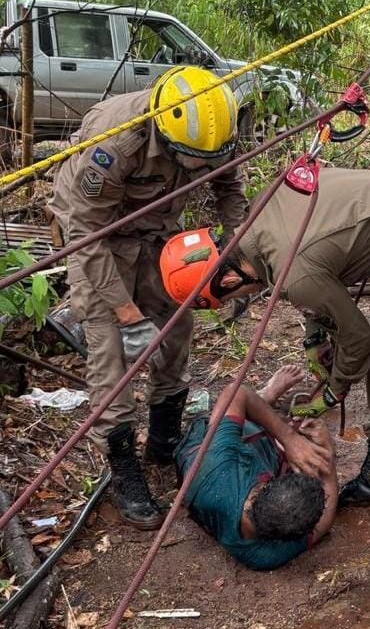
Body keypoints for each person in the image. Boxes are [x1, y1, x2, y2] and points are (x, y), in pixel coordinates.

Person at [160, 168, 370, 606]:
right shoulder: (261, 225)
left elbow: (354, 337)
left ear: (226, 279)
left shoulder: (291, 264)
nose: (237, 302)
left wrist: (331, 392)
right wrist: (315, 338)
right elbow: (321, 285)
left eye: (227, 299)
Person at [47, 66, 247, 529]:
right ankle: (123, 466)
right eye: (189, 159)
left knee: (176, 331)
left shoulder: (216, 131)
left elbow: (229, 185)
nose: (199, 167)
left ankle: (163, 439)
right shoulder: (114, 144)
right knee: (112, 354)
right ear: (162, 130)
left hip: (159, 233)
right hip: (97, 237)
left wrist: (239, 250)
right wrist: (127, 313)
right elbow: (87, 235)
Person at [174, 365, 337, 570]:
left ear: (264, 488)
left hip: (203, 452)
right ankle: (262, 402)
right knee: (299, 448)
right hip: (228, 462)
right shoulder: (265, 556)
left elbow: (235, 392)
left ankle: (263, 398)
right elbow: (324, 524)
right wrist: (327, 457)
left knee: (236, 418)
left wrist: (289, 439)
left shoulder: (223, 465)